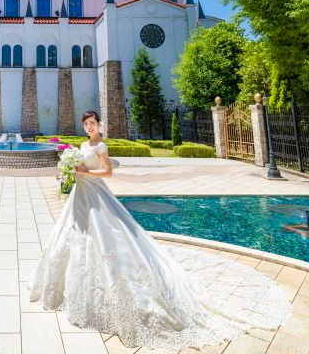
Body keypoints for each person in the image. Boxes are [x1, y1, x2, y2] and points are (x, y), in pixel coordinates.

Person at [28, 110, 289, 350]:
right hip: (80, 197)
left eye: (93, 123)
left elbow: (107, 173)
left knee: (109, 238)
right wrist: (70, 173)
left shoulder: (102, 146)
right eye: (86, 124)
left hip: (97, 195)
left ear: (99, 124)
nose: (89, 127)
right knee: (73, 237)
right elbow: (79, 168)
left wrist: (86, 172)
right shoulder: (82, 146)